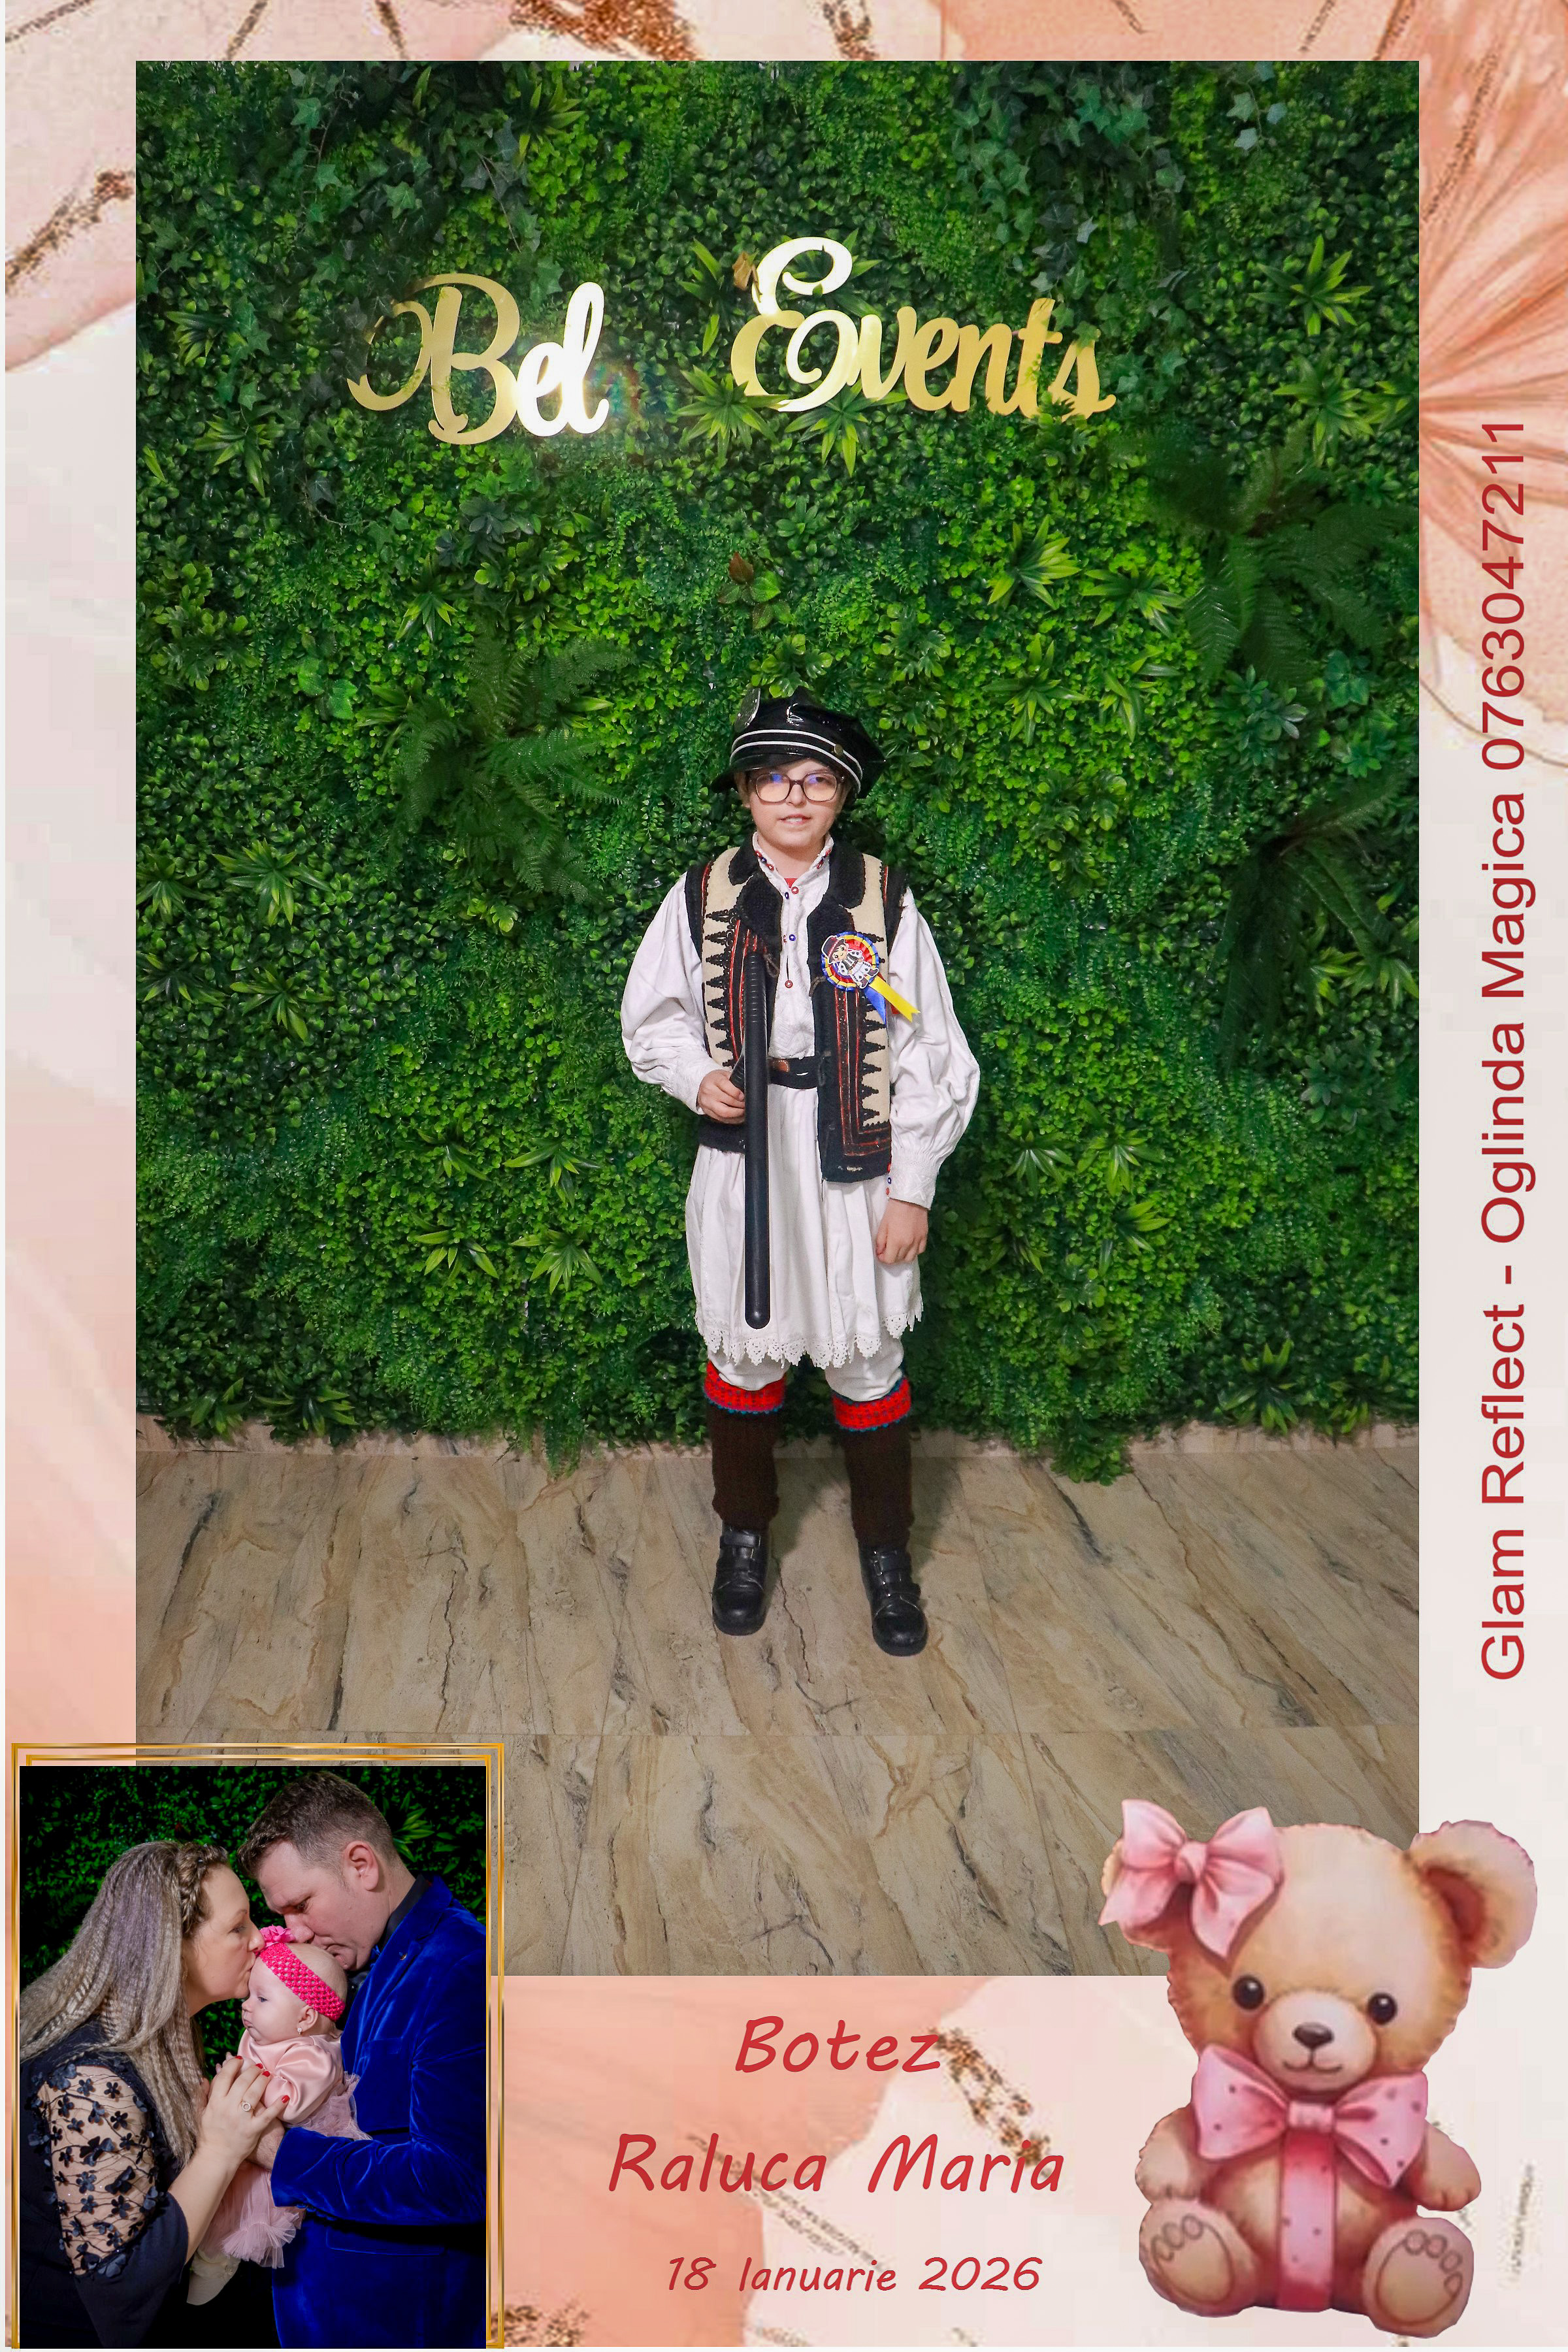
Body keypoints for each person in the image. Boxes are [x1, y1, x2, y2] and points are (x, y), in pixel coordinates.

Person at [621, 690, 980, 1656]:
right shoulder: (702, 893)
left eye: (817, 779)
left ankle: (886, 1553)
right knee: (746, 1350)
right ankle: (744, 1537)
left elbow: (928, 1045)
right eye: (774, 777)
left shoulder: (879, 899)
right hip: (746, 1152)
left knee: (868, 1354)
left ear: (842, 796)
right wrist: (695, 1077)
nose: (794, 796)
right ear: (745, 791)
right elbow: (653, 1016)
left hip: (856, 1155)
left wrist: (912, 1186)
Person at [236, 1773, 486, 2349]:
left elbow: (458, 2181)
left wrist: (280, 2151)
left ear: (361, 1865)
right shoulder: (378, 1963)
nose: (293, 1932)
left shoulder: (461, 1966)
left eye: (301, 1905)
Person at [18, 1840, 277, 2347]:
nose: (260, 1939)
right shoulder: (90, 2082)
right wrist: (220, 2151)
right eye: (238, 1927)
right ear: (173, 1948)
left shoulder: (160, 2042)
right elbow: (120, 2294)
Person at [195, 1931, 361, 2283]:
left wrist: (242, 2078)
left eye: (262, 1998)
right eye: (250, 1995)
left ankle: (217, 2264)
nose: (246, 2005)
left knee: (241, 2211)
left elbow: (290, 2105)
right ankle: (204, 2255)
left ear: (305, 2018)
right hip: (245, 2142)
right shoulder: (265, 2034)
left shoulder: (313, 2055)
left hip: (278, 2161)